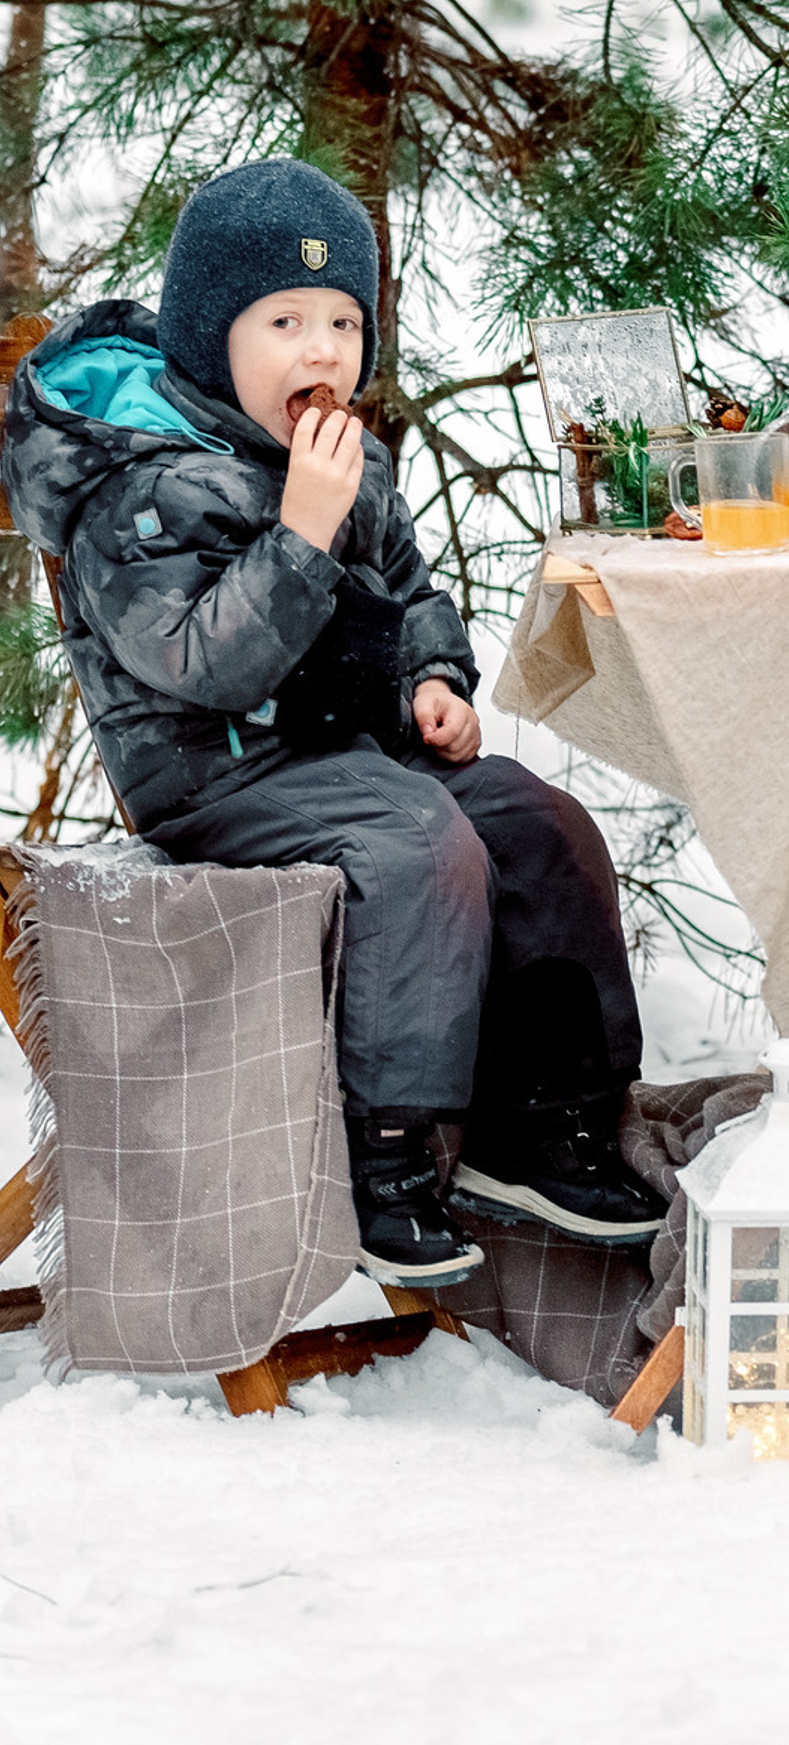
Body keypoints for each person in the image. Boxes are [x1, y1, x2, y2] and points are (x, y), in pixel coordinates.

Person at [4, 160, 662, 1285]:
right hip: (214, 778)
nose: (322, 350)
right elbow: (201, 667)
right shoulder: (140, 484)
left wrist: (433, 679)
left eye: (345, 321)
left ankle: (547, 1122)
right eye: (284, 320)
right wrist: (299, 536)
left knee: (534, 818)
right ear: (210, 336)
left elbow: (410, 593)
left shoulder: (347, 461)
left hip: (352, 752)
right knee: (419, 841)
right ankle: (392, 1155)